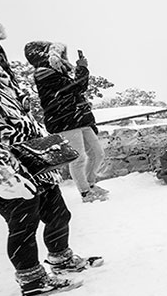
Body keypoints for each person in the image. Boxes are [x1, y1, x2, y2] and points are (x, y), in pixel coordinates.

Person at [0, 3, 95, 296]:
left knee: (58, 212)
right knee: (23, 221)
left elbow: (18, 113)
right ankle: (32, 280)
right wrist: (1, 168)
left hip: (30, 157)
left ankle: (60, 257)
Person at [24, 41, 108, 203]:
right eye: (59, 53)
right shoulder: (43, 73)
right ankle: (85, 192)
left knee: (98, 153)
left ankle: (90, 184)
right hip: (64, 121)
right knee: (79, 159)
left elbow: (75, 93)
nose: (63, 57)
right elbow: (77, 87)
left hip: (79, 119)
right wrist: (82, 68)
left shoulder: (57, 72)